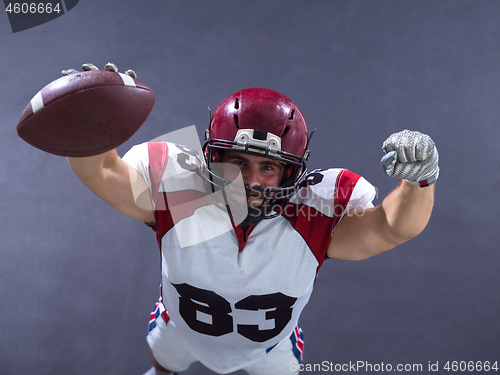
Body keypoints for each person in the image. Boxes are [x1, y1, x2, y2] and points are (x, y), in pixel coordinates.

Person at [66, 65, 439, 375]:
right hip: (181, 328)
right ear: (211, 159)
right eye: (238, 162)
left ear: (292, 173)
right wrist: (86, 124)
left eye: (269, 166)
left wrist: (419, 180)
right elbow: (102, 172)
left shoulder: (313, 212)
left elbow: (393, 227)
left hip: (269, 348)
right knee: (163, 364)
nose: (251, 179)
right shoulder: (182, 190)